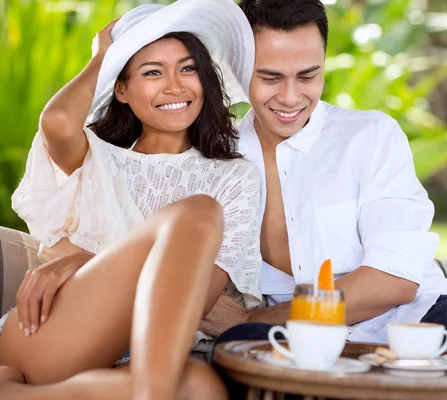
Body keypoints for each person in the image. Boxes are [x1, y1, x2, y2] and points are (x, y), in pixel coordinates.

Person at [200, 0, 447, 399]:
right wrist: (244, 322)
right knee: (239, 350)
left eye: (308, 75)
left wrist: (253, 317)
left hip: (416, 322)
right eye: (270, 78)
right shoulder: (215, 157)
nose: (290, 97)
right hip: (289, 343)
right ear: (239, 67)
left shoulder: (369, 137)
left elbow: (393, 282)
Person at [0, 0, 261, 399]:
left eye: (188, 68)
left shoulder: (234, 178)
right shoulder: (95, 156)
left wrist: (81, 260)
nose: (175, 86)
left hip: (148, 353)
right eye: (153, 72)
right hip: (54, 334)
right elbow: (57, 122)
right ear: (121, 89)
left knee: (200, 387)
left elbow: (198, 299)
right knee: (198, 210)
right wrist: (102, 56)